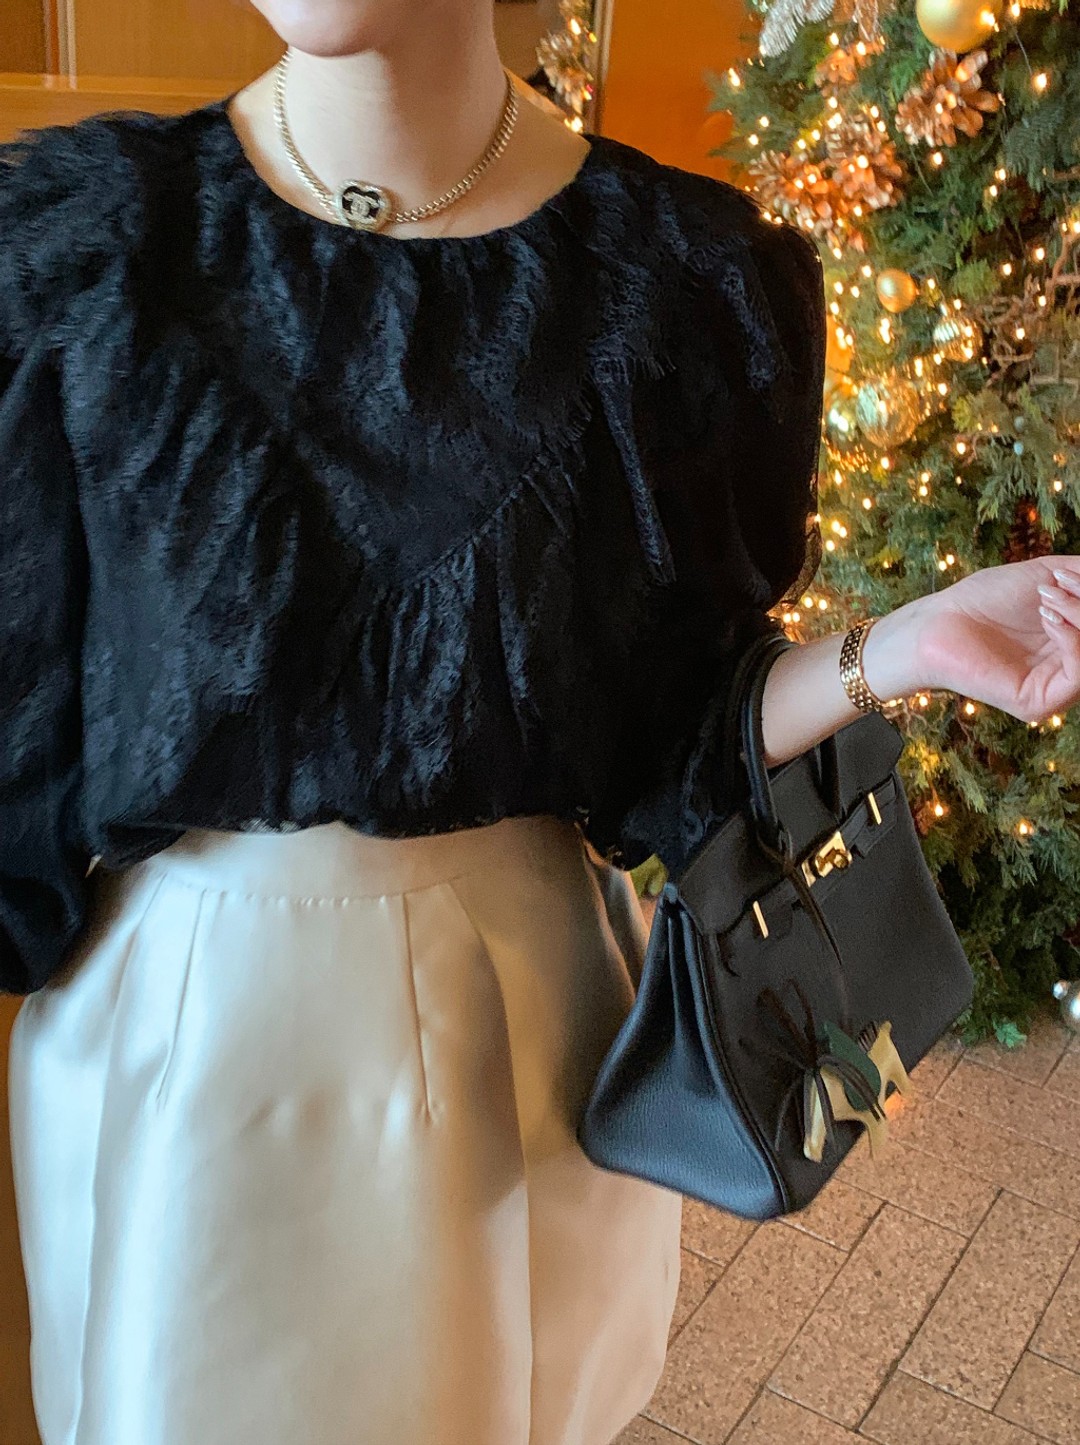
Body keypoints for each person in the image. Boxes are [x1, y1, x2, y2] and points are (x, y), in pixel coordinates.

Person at [1, 2, 1078, 1443]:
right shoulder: (83, 253)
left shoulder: (686, 283)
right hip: (178, 1071)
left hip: (525, 1044)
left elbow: (673, 746)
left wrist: (902, 648)